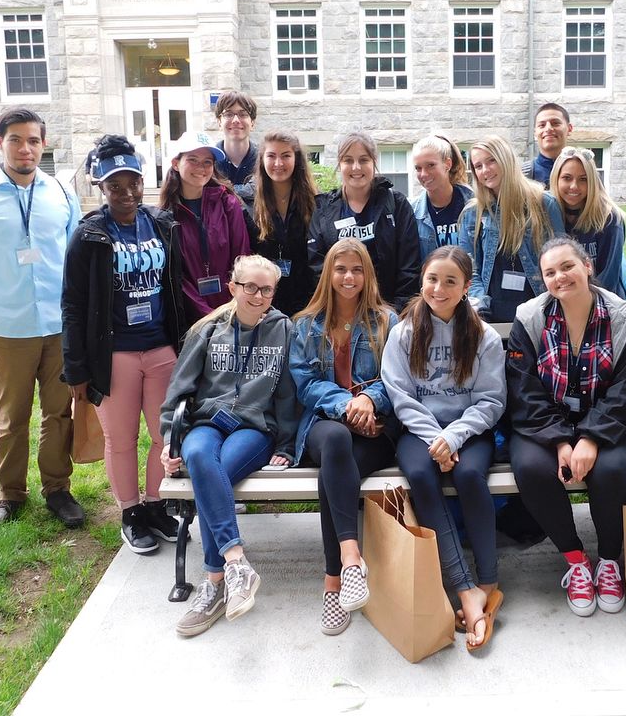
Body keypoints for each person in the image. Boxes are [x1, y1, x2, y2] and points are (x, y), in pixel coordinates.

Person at [0, 107, 85, 528]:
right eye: (15, 139)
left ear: (43, 144)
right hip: (9, 329)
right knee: (12, 418)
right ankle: (10, 494)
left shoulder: (62, 193)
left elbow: (78, 263)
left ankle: (58, 490)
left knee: (59, 413)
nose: (25, 148)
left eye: (33, 140)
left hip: (59, 327)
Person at [506, 237, 626, 617]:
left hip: (609, 420)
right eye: (550, 272)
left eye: (567, 266)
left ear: (587, 266)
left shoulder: (621, 316)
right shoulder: (530, 317)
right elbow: (524, 388)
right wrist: (557, 440)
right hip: (543, 423)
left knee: (612, 469)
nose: (560, 277)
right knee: (533, 470)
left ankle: (608, 562)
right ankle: (576, 560)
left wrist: (591, 437)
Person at [160, 255, 296, 637]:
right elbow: (178, 391)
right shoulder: (207, 329)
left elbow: (288, 392)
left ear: (273, 292)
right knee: (201, 454)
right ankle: (235, 563)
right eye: (249, 286)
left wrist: (285, 443)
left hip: (254, 428)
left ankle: (214, 582)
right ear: (232, 286)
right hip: (206, 422)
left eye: (265, 289)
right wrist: (170, 441)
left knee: (210, 473)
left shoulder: (283, 329)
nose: (257, 295)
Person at [62, 135, 186, 553]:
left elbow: (175, 289)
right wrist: (76, 368)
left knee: (164, 433)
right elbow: (73, 306)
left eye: (133, 181)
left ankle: (156, 505)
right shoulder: (89, 236)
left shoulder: (163, 225)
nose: (127, 192)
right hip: (113, 353)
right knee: (121, 438)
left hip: (159, 347)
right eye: (116, 185)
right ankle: (131, 513)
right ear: (101, 187)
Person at [381, 246, 507, 650]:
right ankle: (465, 588)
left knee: (470, 474)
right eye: (433, 279)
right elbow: (399, 395)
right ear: (422, 280)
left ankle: (488, 579)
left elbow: (491, 400)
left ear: (467, 286)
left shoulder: (483, 337)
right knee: (420, 475)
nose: (439, 288)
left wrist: (453, 437)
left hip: (469, 432)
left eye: (451, 281)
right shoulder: (403, 332)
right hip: (419, 433)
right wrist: (434, 437)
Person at [289, 239, 398, 636]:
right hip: (325, 425)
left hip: (375, 430)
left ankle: (334, 583)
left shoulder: (388, 321)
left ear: (367, 274)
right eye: (340, 269)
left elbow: (398, 379)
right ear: (328, 274)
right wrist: (347, 405)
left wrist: (370, 399)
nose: (348, 277)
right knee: (335, 442)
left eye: (356, 269)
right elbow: (304, 383)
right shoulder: (307, 323)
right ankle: (352, 557)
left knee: (331, 476)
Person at [457, 135, 565, 323]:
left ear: (506, 159)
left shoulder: (544, 204)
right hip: (491, 314)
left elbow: (562, 260)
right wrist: (481, 309)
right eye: (478, 166)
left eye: (492, 160)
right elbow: (470, 270)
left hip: (540, 311)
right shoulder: (472, 213)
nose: (485, 170)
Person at [308, 131, 420, 312]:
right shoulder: (323, 209)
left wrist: (395, 312)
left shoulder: (396, 204)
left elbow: (409, 266)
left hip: (386, 312)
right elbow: (317, 267)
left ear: (374, 161)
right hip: (339, 312)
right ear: (339, 163)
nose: (356, 167)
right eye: (348, 160)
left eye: (364, 160)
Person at [158, 130, 250, 326]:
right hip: (190, 318)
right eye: (193, 159)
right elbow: (176, 275)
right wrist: (207, 315)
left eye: (207, 162)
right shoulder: (165, 216)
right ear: (176, 163)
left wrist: (232, 307)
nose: (201, 167)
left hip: (232, 311)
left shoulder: (228, 204)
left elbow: (241, 258)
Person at [248, 130, 318, 317]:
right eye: (271, 156)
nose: (278, 163)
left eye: (286, 156)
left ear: (296, 159)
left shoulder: (315, 203)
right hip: (263, 304)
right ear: (262, 159)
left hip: (308, 303)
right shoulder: (248, 203)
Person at [549, 146, 626, 298]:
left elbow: (609, 278)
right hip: (561, 301)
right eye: (567, 178)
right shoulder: (547, 216)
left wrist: (583, 306)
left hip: (602, 303)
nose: (574, 186)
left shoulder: (609, 219)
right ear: (556, 179)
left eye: (583, 179)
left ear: (593, 182)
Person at [409, 134, 474, 260]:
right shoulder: (412, 212)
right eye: (418, 168)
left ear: (447, 164)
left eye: (431, 165)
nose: (423, 174)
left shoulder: (474, 205)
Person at [213, 90, 258, 202]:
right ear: (219, 122)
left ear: (252, 123)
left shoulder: (264, 160)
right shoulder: (209, 160)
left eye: (243, 114)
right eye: (228, 114)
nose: (236, 120)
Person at [523, 102, 573, 188]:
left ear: (569, 128)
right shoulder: (521, 176)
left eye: (555, 123)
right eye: (542, 125)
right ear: (535, 132)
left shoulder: (584, 172)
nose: (548, 128)